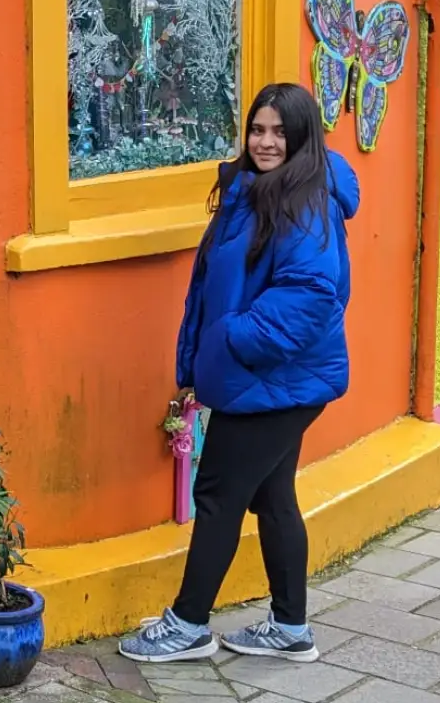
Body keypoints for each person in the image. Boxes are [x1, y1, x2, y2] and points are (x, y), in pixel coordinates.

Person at [120, 82, 359, 665]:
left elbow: (309, 297)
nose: (266, 141)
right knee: (273, 496)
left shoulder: (303, 200)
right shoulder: (254, 190)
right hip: (277, 377)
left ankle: (188, 624)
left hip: (272, 379)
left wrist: (232, 340)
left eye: (280, 131)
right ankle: (290, 627)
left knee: (220, 494)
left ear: (303, 136)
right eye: (258, 129)